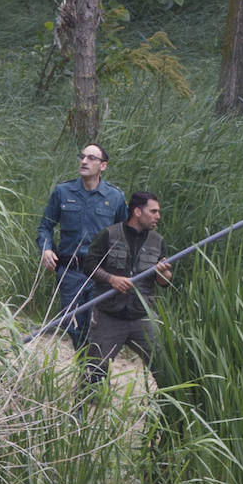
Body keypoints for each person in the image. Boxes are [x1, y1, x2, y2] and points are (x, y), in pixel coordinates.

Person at [36, 144, 127, 349]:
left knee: (98, 326)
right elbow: (45, 227)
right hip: (71, 272)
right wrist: (46, 248)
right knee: (74, 326)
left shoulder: (115, 197)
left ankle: (95, 378)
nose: (84, 161)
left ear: (103, 166)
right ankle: (85, 373)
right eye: (82, 156)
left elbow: (126, 236)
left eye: (91, 158)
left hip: (101, 274)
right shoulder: (62, 192)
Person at [80, 191, 173, 388]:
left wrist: (164, 274)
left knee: (165, 368)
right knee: (93, 372)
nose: (158, 216)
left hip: (142, 316)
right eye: (153, 211)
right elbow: (88, 265)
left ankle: (167, 414)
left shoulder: (158, 241)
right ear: (137, 212)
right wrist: (111, 279)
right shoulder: (109, 234)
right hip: (109, 316)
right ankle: (83, 413)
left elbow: (164, 282)